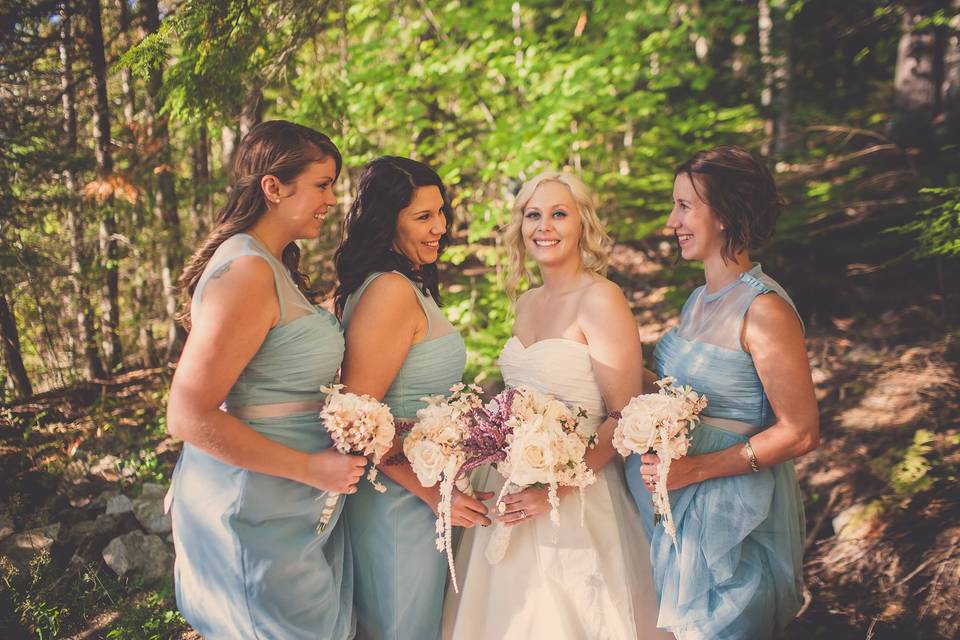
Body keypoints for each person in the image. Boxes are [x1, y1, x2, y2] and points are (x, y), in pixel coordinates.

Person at [442, 171, 671, 640]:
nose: (544, 226)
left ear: (582, 224)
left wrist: (559, 488)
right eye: (533, 215)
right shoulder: (526, 301)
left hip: (578, 494)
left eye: (558, 214)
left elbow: (624, 413)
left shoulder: (601, 298)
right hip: (507, 487)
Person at [165, 120, 366, 639]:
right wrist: (310, 468)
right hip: (253, 502)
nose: (331, 199)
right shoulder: (247, 271)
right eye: (322, 184)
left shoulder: (272, 267)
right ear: (273, 188)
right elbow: (187, 414)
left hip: (290, 505)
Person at [625, 145, 820, 639]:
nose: (673, 221)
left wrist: (695, 469)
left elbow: (800, 433)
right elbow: (679, 394)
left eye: (685, 206)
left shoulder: (764, 309)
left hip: (732, 511)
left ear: (727, 214)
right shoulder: (697, 300)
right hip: (676, 503)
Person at [334, 156, 492, 640]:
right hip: (399, 500)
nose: (440, 227)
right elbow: (358, 419)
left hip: (422, 492)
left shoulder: (408, 284)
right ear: (387, 221)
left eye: (441, 213)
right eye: (423, 217)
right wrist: (435, 495)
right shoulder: (388, 290)